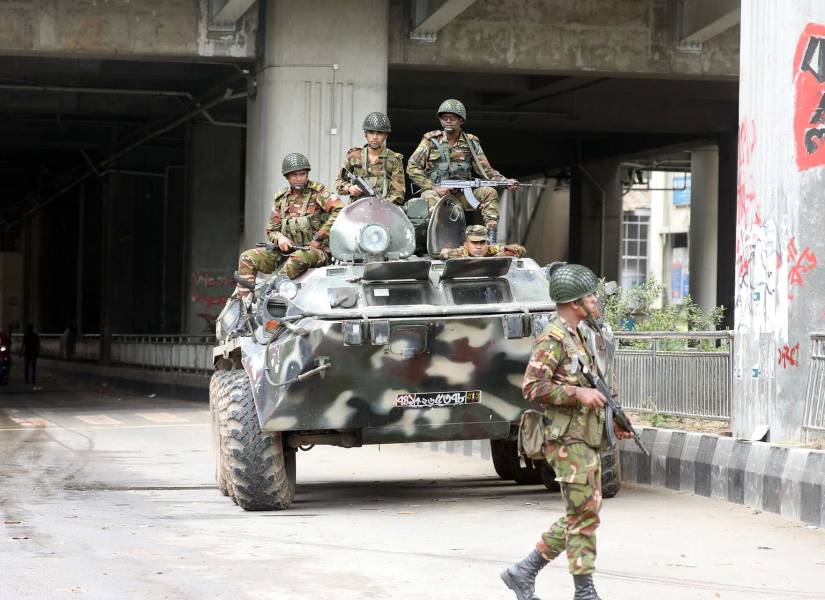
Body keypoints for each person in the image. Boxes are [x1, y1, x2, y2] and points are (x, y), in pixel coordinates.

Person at [500, 263, 633, 600]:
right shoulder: (554, 338)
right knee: (584, 515)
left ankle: (526, 571)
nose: (595, 301)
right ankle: (582, 591)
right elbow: (532, 388)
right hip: (567, 440)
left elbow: (591, 385)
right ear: (575, 302)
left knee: (585, 512)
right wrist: (577, 394)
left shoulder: (578, 336)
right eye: (590, 296)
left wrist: (612, 415)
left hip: (584, 437)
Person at [406, 98, 516, 242]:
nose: (448, 121)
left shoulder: (471, 142)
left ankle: (491, 239)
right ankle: (436, 241)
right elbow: (412, 167)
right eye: (445, 118)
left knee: (490, 192)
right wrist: (434, 187)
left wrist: (504, 181)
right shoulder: (431, 140)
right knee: (430, 198)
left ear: (461, 121)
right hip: (435, 192)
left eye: (452, 118)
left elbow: (486, 170)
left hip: (462, 193)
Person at [236, 153, 343, 295]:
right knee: (247, 257)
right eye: (294, 175)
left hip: (317, 252)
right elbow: (271, 230)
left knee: (298, 257)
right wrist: (280, 239)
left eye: (302, 174)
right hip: (286, 252)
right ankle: (245, 303)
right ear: (287, 177)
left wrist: (318, 238)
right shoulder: (282, 198)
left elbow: (340, 210)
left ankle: (269, 294)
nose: (299, 178)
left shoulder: (319, 192)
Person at [334, 112, 405, 205]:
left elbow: (399, 193)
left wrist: (382, 205)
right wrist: (349, 188)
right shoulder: (354, 155)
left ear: (386, 135)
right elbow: (339, 182)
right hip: (357, 210)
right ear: (365, 134)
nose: (375, 137)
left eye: (379, 133)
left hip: (382, 211)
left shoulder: (394, 160)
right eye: (371, 132)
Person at [439, 225, 527, 259]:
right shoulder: (460, 253)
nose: (479, 247)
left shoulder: (491, 250)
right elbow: (444, 253)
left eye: (482, 242)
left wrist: (513, 250)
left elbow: (520, 250)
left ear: (487, 244)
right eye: (474, 242)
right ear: (466, 244)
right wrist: (446, 254)